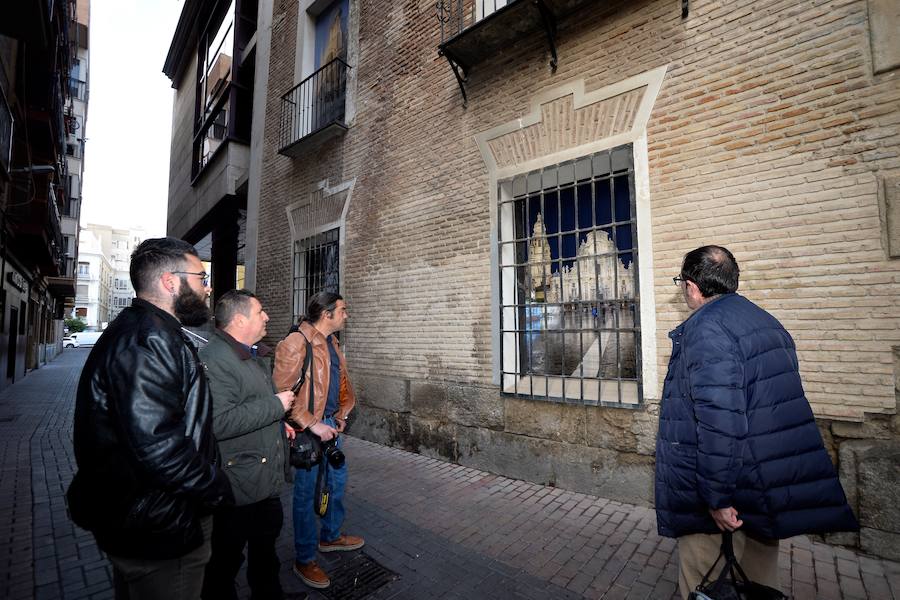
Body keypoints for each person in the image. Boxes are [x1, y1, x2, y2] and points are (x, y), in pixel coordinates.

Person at [655, 245, 858, 599]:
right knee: (760, 582)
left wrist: (715, 497)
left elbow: (720, 422)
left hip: (725, 490)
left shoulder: (706, 329)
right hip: (762, 484)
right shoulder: (765, 321)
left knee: (703, 579)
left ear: (691, 286)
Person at [67, 237, 234, 600]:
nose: (208, 288)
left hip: (152, 520)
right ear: (171, 281)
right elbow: (159, 450)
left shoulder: (153, 333)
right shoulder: (148, 341)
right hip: (161, 528)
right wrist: (218, 489)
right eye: (201, 278)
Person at [199, 290, 298, 600]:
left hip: (260, 480)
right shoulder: (216, 360)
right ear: (240, 320)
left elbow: (248, 403)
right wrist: (276, 406)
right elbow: (220, 422)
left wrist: (277, 423)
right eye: (260, 312)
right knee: (224, 565)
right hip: (238, 487)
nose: (267, 316)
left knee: (265, 554)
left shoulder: (247, 353)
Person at [273, 291, 364, 590]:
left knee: (336, 482)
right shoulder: (296, 342)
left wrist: (341, 412)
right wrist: (313, 424)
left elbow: (339, 381)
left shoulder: (332, 342)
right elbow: (282, 392)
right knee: (305, 493)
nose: (346, 315)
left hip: (331, 426)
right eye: (343, 310)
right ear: (326, 314)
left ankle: (331, 536)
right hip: (308, 431)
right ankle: (304, 558)